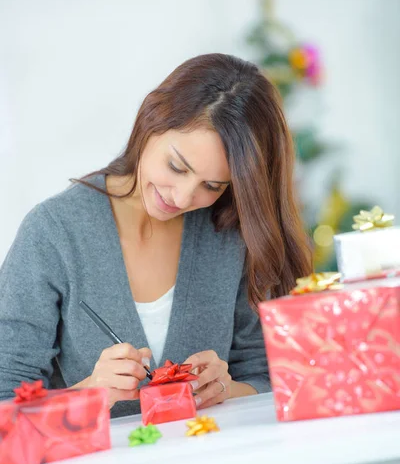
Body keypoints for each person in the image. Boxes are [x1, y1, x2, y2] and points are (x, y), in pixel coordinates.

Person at [0, 53, 311, 417]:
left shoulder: (230, 234)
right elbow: (6, 394)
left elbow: (273, 376)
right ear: (152, 120)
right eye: (176, 166)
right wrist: (90, 393)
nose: (181, 198)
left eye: (211, 185)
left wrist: (227, 389)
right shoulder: (54, 232)